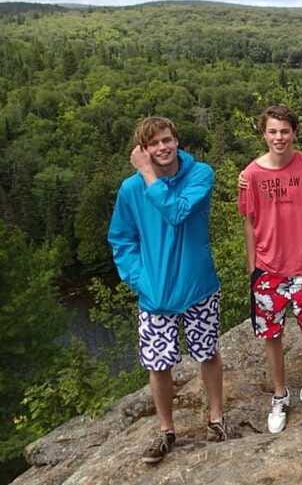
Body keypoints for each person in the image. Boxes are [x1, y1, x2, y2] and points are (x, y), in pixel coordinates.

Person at [108, 116, 227, 465]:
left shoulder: (200, 175)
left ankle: (217, 418)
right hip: (155, 295)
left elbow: (177, 212)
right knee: (158, 365)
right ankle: (166, 429)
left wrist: (147, 176)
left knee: (207, 353)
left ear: (177, 141)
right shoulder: (130, 191)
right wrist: (138, 279)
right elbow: (121, 239)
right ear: (143, 150)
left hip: (198, 286)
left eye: (166, 140)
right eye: (153, 144)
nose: (162, 148)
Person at [238, 105, 302, 434]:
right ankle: (279, 394)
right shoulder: (250, 176)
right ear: (263, 134)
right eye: (273, 131)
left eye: (285, 131)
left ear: (294, 132)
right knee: (272, 336)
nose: (279, 137)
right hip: (269, 269)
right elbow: (249, 224)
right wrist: (254, 269)